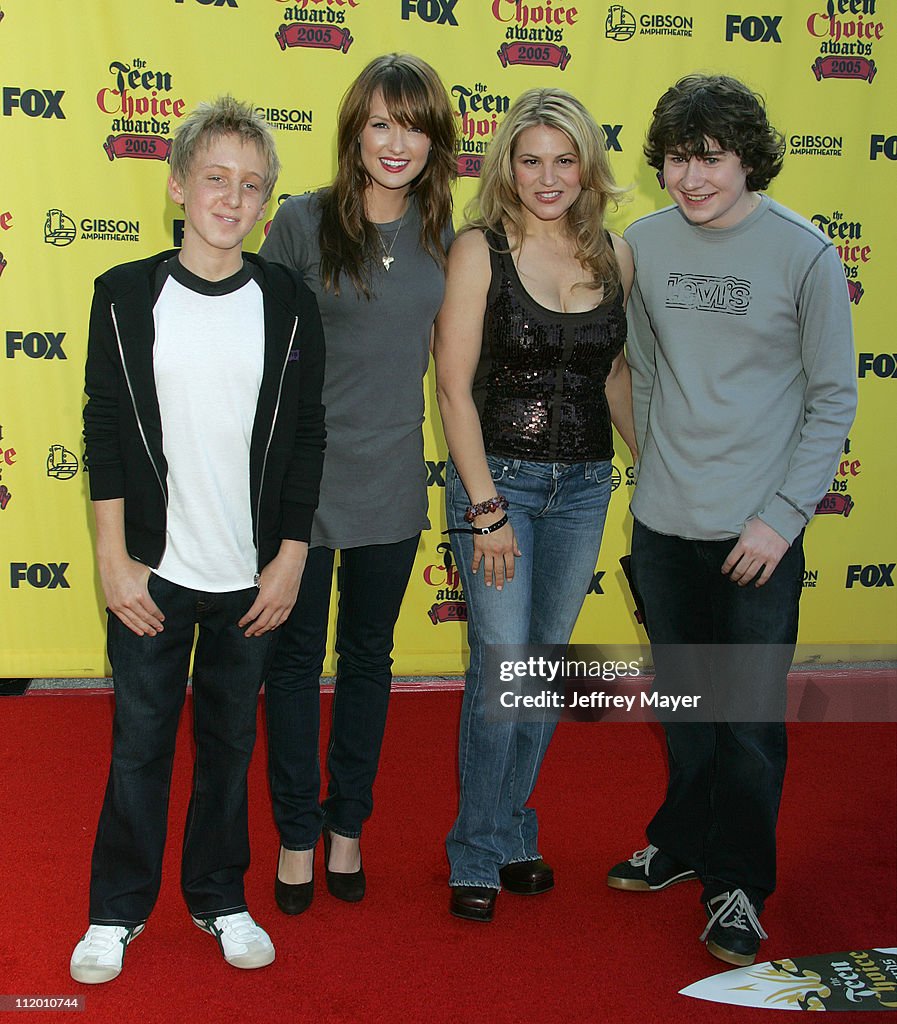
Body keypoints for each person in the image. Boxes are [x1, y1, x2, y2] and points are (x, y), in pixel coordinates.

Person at [71, 96, 326, 983]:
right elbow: (104, 432)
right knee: (138, 744)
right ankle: (116, 911)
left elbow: (306, 440)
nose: (232, 198)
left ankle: (220, 896)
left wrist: (290, 560)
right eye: (215, 178)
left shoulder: (290, 302)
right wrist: (112, 560)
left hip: (249, 577)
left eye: (252, 185)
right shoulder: (122, 295)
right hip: (152, 570)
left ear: (267, 203)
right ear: (178, 186)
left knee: (229, 748)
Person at [606, 74, 857, 966]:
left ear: (747, 158)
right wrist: (654, 466)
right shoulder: (639, 244)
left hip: (759, 534)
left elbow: (832, 399)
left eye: (708, 158)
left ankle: (739, 881)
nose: (689, 177)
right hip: (664, 525)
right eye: (675, 158)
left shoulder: (805, 254)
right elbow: (626, 368)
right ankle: (683, 842)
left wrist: (780, 518)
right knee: (684, 706)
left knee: (745, 719)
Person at [434, 88, 637, 922]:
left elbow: (614, 374)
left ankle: (516, 829)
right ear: (506, 166)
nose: (547, 176)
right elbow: (451, 386)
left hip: (585, 485)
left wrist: (652, 463)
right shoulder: (479, 248)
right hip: (500, 484)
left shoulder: (614, 256)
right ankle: (476, 848)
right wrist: (484, 509)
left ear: (586, 164)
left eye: (563, 158)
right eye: (530, 159)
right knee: (498, 669)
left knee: (542, 671)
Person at [260, 53, 456, 912]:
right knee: (295, 662)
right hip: (299, 486)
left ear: (435, 139)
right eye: (379, 121)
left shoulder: (450, 238)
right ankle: (297, 837)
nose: (395, 140)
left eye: (412, 124)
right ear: (353, 131)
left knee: (367, 662)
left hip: (388, 484)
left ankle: (349, 829)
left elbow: (457, 372)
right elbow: (260, 361)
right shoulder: (300, 223)